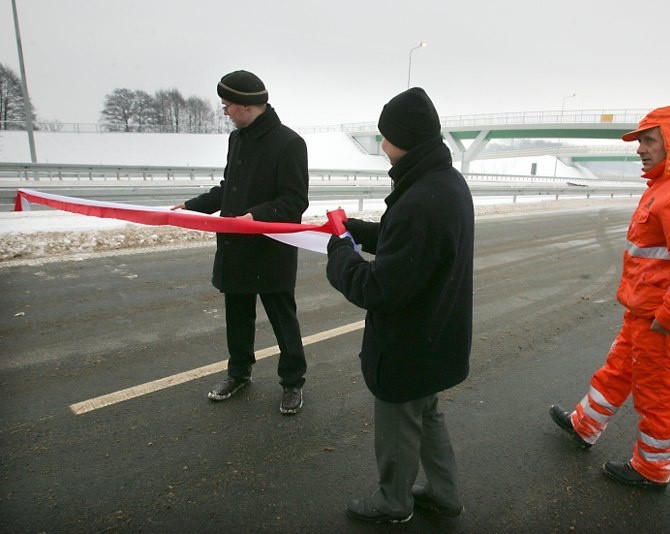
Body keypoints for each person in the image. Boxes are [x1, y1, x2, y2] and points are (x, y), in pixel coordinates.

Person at [549, 105, 670, 489]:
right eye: (640, 141)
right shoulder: (667, 184)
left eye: (648, 140)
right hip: (643, 313)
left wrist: (668, 319)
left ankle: (652, 468)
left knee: (657, 396)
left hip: (660, 321)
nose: (640, 149)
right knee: (617, 372)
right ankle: (585, 425)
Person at [326, 87, 474, 523]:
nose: (382, 145)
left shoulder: (419, 200)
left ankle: (393, 501)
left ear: (402, 139)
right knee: (427, 416)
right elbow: (408, 246)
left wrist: (341, 254)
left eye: (384, 137)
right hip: (436, 334)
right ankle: (445, 495)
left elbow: (379, 288)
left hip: (409, 343)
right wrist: (354, 230)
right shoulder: (444, 183)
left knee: (397, 424)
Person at [172, 70, 309, 414]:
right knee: (237, 315)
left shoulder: (289, 143)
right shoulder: (238, 140)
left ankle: (292, 382)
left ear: (247, 106)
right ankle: (239, 372)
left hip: (270, 249)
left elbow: (295, 201)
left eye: (227, 105)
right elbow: (227, 188)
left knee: (282, 318)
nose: (226, 112)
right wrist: (191, 206)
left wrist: (256, 216)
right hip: (236, 245)